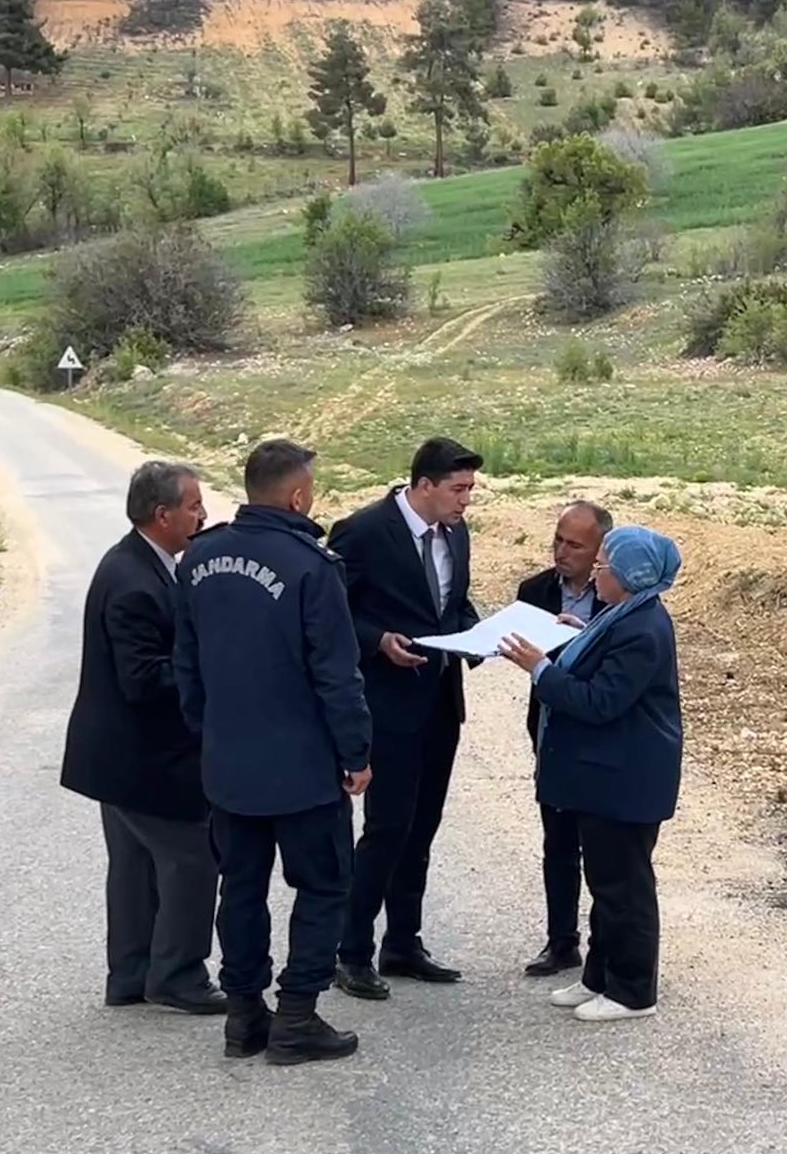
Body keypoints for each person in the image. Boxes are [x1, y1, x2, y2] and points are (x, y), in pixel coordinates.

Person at [173, 439, 372, 1065]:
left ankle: (243, 1014)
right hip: (303, 767)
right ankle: (296, 1016)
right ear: (298, 496)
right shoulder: (312, 566)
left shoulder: (199, 557)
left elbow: (187, 663)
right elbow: (336, 675)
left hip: (229, 762)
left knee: (240, 888)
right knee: (323, 886)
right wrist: (356, 753)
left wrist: (209, 732)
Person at [499, 526, 683, 1023]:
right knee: (605, 884)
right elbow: (601, 659)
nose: (595, 574)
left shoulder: (643, 630)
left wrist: (540, 668)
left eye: (603, 566)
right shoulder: (622, 614)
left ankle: (633, 992)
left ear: (628, 576)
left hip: (626, 780)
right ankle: (599, 978)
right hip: (606, 779)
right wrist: (575, 636)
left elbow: (600, 701)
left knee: (625, 890)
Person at [60, 461, 224, 1015]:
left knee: (135, 867)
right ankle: (178, 976)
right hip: (145, 758)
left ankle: (131, 974)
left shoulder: (143, 563)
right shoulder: (133, 581)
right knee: (192, 860)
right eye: (194, 506)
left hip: (119, 758)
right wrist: (210, 666)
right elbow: (142, 679)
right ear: (163, 514)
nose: (203, 515)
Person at [328, 437, 482, 1000]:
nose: (466, 500)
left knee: (422, 827)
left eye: (470, 489)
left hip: (440, 701)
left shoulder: (457, 533)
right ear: (423, 485)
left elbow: (452, 606)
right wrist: (377, 641)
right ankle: (350, 951)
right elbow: (329, 611)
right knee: (387, 827)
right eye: (458, 489)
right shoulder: (363, 532)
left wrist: (484, 634)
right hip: (386, 706)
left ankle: (403, 942)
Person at [512, 500, 613, 977]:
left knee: (603, 846)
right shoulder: (533, 591)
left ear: (600, 552)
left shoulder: (618, 597)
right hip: (551, 731)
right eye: (558, 540)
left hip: (600, 735)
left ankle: (607, 948)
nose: (561, 552)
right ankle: (561, 942)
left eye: (575, 545)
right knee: (558, 841)